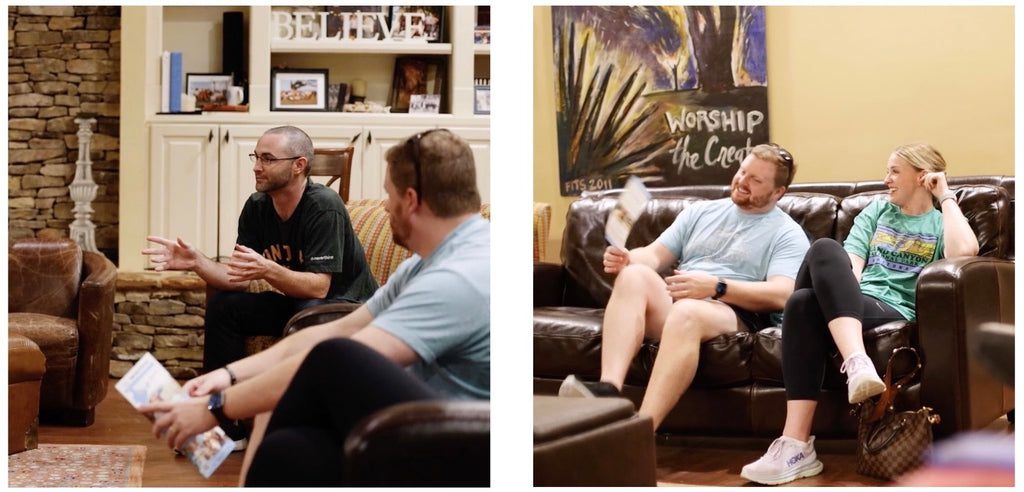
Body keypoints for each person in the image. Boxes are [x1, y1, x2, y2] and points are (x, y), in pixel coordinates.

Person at [138, 128, 489, 486]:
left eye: (389, 195)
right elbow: (336, 330)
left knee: (333, 356)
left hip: (463, 439)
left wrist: (217, 406)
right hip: (416, 415)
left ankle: (223, 419)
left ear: (411, 200)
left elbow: (339, 346)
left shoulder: (460, 275)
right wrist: (226, 376)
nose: (384, 206)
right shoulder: (423, 264)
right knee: (285, 445)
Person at [741, 143, 980, 485]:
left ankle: (798, 444)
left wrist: (945, 196)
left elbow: (965, 252)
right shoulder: (876, 213)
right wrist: (836, 295)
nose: (886, 180)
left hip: (894, 310)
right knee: (814, 275)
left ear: (922, 175)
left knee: (801, 302)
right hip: (856, 301)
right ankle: (853, 366)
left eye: (894, 172)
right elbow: (849, 272)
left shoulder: (942, 223)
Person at [142, 125, 378, 446]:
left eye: (267, 159)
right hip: (300, 304)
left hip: (343, 310)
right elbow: (235, 278)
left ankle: (291, 432)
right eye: (256, 156)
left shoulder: (323, 206)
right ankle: (226, 427)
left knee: (306, 311)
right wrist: (197, 261)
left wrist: (267, 269)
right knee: (227, 307)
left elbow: (319, 288)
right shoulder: (257, 206)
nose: (256, 166)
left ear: (299, 165)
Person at [559, 143, 810, 431]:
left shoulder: (787, 232)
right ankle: (608, 390)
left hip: (733, 311)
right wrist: (629, 258)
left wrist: (716, 287)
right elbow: (655, 254)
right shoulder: (701, 212)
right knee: (634, 276)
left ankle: (642, 428)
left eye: (756, 180)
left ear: (778, 192)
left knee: (688, 311)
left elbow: (782, 293)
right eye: (742, 171)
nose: (742, 181)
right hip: (682, 301)